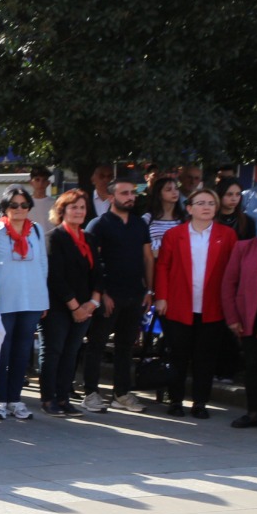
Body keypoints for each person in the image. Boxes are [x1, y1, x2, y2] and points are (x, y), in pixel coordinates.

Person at [154, 188, 237, 417]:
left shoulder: (227, 235)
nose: (206, 207)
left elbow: (233, 271)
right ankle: (175, 400)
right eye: (201, 203)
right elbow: (163, 266)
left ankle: (200, 402)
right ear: (189, 208)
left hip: (212, 306)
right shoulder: (174, 234)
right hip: (179, 304)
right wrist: (161, 297)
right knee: (178, 355)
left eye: (211, 203)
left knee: (206, 358)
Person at [82, 174, 155, 413]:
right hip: (108, 296)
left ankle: (121, 394)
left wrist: (149, 290)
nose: (130, 197)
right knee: (96, 344)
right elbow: (92, 263)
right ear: (111, 197)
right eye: (125, 193)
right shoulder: (99, 224)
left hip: (135, 295)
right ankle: (91, 393)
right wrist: (101, 294)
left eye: (133, 193)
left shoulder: (139, 224)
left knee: (126, 346)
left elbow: (147, 257)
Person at [0, 184, 49, 420]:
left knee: (22, 352)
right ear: (5, 207)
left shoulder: (36, 230)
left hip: (32, 300)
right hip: (3, 302)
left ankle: (15, 399)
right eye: (13, 205)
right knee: (1, 352)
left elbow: (42, 264)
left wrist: (43, 299)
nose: (19, 209)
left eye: (24, 204)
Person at [41, 190, 101, 416]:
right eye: (73, 207)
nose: (79, 211)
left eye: (82, 207)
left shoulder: (89, 239)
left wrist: (92, 303)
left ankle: (63, 397)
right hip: (59, 306)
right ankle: (49, 398)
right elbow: (55, 276)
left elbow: (98, 273)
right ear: (62, 210)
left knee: (71, 352)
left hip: (85, 307)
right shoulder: (54, 237)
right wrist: (74, 306)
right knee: (54, 351)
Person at [221, 204, 257, 431]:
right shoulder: (243, 247)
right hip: (248, 320)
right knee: (253, 367)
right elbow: (228, 284)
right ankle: (252, 413)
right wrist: (232, 318)